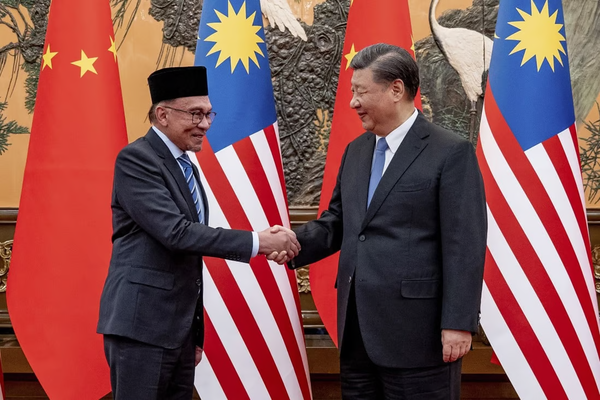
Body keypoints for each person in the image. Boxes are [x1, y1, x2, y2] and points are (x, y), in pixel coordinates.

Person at [279, 43, 487, 399]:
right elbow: (340, 223)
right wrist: (288, 243)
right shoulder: (357, 151)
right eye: (351, 92)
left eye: (360, 92)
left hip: (419, 338)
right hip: (357, 334)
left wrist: (457, 323)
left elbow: (464, 243)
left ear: (396, 89)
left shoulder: (450, 152)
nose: (352, 103)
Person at [97, 66, 299, 399]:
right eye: (195, 114)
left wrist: (194, 335)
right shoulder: (137, 160)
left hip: (178, 335)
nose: (205, 124)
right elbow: (177, 234)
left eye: (208, 114)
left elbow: (188, 259)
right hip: (142, 329)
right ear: (162, 114)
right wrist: (258, 242)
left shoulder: (185, 164)